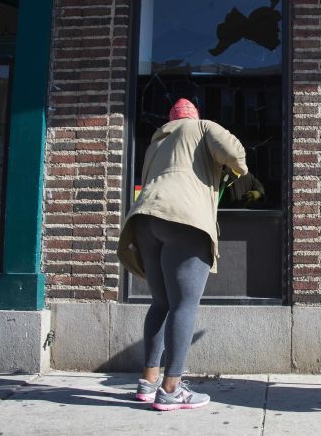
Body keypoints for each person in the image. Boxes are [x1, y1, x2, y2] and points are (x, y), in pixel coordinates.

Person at [117, 98, 248, 411]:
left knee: (160, 303)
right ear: (194, 116)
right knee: (184, 305)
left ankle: (147, 381)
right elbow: (236, 155)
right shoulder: (203, 127)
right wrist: (237, 172)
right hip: (184, 218)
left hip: (146, 218)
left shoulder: (155, 143)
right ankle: (172, 387)